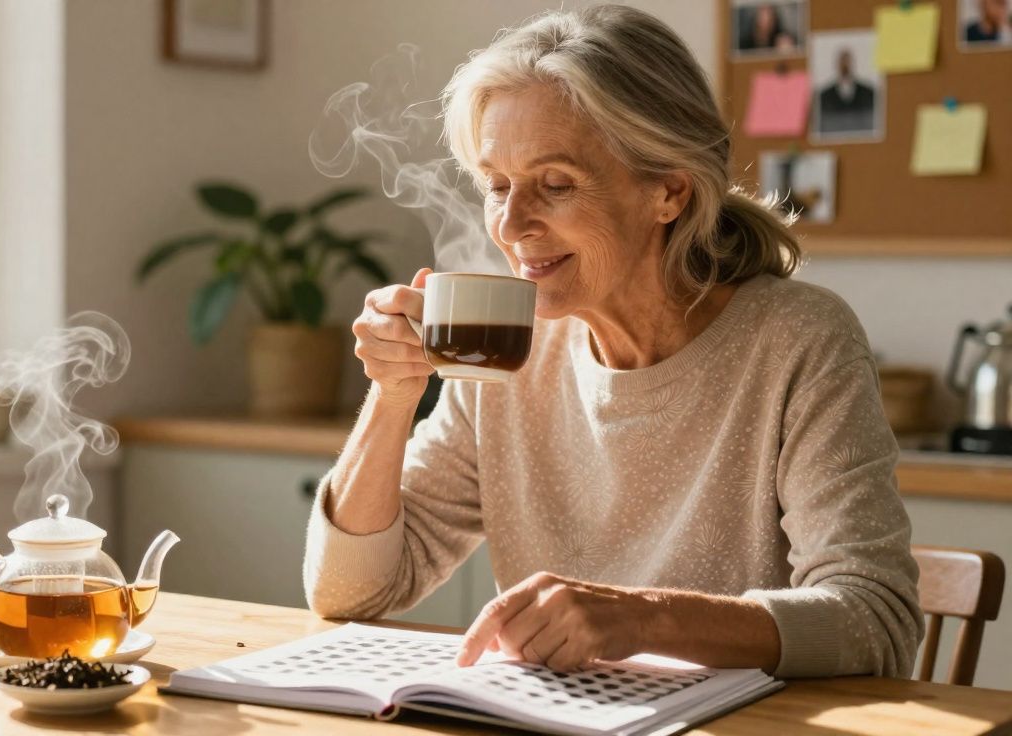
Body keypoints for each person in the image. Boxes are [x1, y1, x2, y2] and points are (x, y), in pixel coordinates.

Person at [303, 6, 921, 679]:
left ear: (667, 192)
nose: (510, 225)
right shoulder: (513, 348)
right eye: (497, 186)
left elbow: (874, 620)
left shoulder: (798, 340)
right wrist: (394, 396)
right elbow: (350, 593)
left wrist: (640, 618)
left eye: (556, 185)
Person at [817, 48, 877, 136]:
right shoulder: (824, 95)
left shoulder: (868, 93)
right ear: (837, 64)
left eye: (847, 61)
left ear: (853, 64)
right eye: (842, 61)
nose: (845, 65)